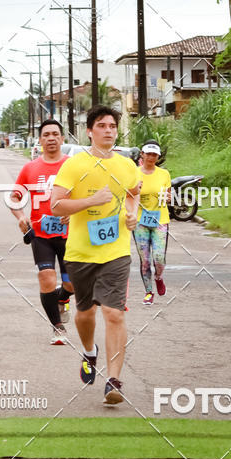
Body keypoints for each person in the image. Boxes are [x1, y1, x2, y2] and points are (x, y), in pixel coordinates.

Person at [51, 105, 141, 406]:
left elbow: (134, 192)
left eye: (113, 126)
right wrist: (92, 200)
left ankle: (114, 380)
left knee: (114, 313)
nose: (109, 130)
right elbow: (56, 206)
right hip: (80, 251)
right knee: (85, 313)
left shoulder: (127, 165)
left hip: (116, 251)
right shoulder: (75, 164)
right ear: (90, 131)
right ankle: (89, 351)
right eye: (102, 126)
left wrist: (132, 215)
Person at [10, 119, 73, 346]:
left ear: (62, 138)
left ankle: (63, 298)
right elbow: (14, 198)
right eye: (46, 134)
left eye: (55, 134)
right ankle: (58, 328)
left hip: (71, 235)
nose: (51, 138)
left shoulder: (73, 166)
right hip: (41, 235)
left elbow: (87, 196)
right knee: (46, 278)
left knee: (72, 284)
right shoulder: (30, 168)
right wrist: (21, 217)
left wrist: (74, 213)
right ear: (40, 140)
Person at [133, 140, 171, 306]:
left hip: (160, 220)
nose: (151, 157)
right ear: (142, 154)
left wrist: (169, 198)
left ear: (158, 156)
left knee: (159, 257)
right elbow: (127, 195)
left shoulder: (164, 174)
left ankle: (159, 277)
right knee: (145, 260)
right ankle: (149, 292)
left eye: (154, 154)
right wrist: (135, 191)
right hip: (140, 221)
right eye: (148, 153)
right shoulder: (133, 173)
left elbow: (168, 195)